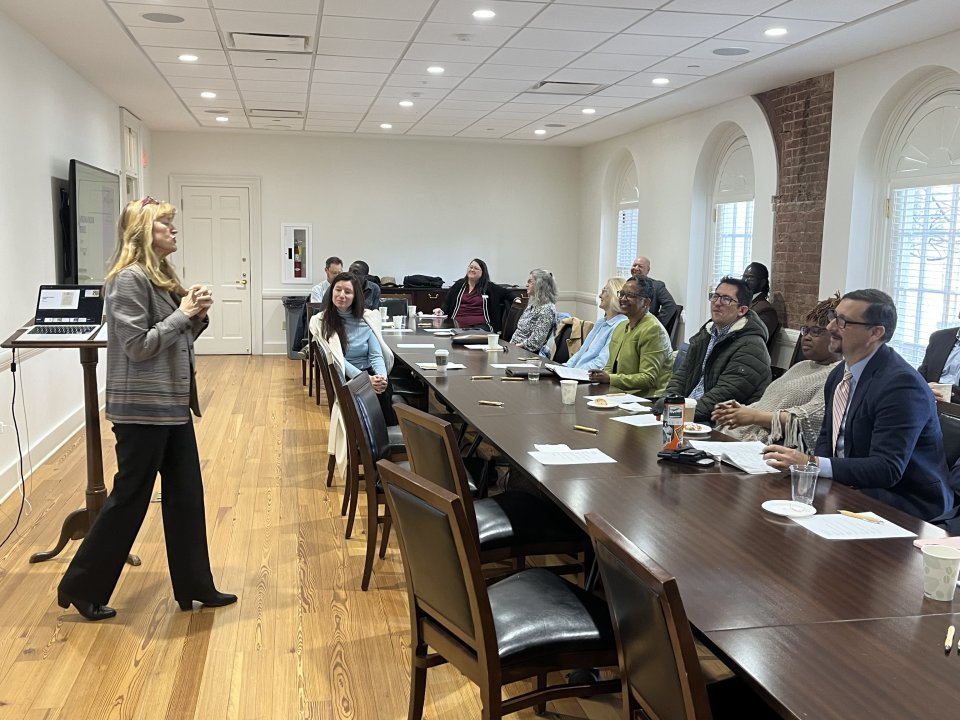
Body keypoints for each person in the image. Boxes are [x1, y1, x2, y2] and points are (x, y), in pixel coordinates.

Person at [56, 197, 236, 622]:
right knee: (130, 498)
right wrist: (184, 314)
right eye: (165, 225)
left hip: (169, 405)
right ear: (142, 233)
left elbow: (175, 337)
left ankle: (195, 585)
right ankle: (80, 587)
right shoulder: (128, 280)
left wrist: (196, 316)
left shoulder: (161, 276)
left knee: (186, 495)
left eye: (173, 223)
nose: (174, 231)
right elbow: (138, 347)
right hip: (141, 410)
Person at [762, 289, 952, 521]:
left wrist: (811, 463)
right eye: (834, 316)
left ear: (875, 332)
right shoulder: (839, 374)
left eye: (842, 322)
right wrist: (812, 472)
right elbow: (827, 439)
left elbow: (887, 469)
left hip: (906, 504)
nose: (831, 326)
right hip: (850, 490)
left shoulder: (901, 385)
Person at [711, 294, 842, 449]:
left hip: (767, 447)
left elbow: (808, 420)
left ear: (836, 334)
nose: (806, 337)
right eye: (805, 330)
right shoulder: (802, 366)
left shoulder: (837, 375)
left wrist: (752, 416)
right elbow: (768, 404)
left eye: (816, 331)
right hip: (739, 436)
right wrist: (738, 411)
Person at [311, 272, 397, 467]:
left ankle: (384, 450)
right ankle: (379, 455)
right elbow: (338, 359)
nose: (342, 295)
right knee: (374, 394)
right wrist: (365, 380)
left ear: (355, 296)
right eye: (338, 290)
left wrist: (381, 376)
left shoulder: (368, 318)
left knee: (384, 387)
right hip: (345, 376)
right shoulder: (321, 321)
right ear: (331, 292)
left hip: (367, 372)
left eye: (348, 292)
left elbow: (375, 355)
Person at [660, 277, 771, 422]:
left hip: (718, 423)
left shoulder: (751, 346)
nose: (717, 303)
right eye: (715, 296)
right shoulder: (706, 334)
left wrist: (677, 415)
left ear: (742, 310)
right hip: (687, 415)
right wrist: (667, 403)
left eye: (726, 299)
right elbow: (682, 376)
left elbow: (723, 397)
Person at [587, 276, 673, 396]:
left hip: (645, 399)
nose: (623, 299)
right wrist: (601, 376)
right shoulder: (621, 326)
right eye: (621, 294)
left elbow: (648, 378)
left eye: (630, 295)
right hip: (618, 393)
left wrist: (610, 378)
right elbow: (610, 367)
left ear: (646, 302)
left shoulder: (653, 330)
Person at [565, 277, 627, 370]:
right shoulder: (601, 322)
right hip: (578, 373)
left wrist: (574, 371)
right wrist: (565, 367)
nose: (600, 296)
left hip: (589, 378)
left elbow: (601, 363)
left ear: (614, 295)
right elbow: (581, 352)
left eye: (604, 291)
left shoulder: (620, 325)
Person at [435, 258, 508, 331]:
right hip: (456, 324)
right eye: (471, 267)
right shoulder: (459, 284)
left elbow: (507, 293)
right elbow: (447, 302)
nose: (472, 270)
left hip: (480, 326)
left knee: (470, 336)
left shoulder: (489, 287)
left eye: (476, 268)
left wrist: (516, 299)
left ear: (483, 272)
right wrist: (441, 311)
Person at [510, 268, 558, 354]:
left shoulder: (547, 309)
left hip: (527, 354)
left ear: (540, 285)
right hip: (515, 350)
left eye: (530, 282)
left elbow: (536, 341)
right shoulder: (533, 305)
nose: (526, 285)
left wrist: (514, 348)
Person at [917, 313, 960, 403]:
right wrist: (926, 389)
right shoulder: (939, 338)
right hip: (927, 403)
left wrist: (944, 391)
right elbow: (920, 376)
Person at [631, 256, 678, 331]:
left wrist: (656, 325)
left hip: (645, 329)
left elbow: (670, 305)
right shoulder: (626, 285)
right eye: (634, 265)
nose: (636, 268)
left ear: (648, 270)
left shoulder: (656, 286)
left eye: (640, 266)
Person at [742, 262, 781, 353]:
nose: (745, 280)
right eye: (744, 276)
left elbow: (755, 341)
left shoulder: (766, 310)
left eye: (750, 277)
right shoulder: (739, 302)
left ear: (762, 282)